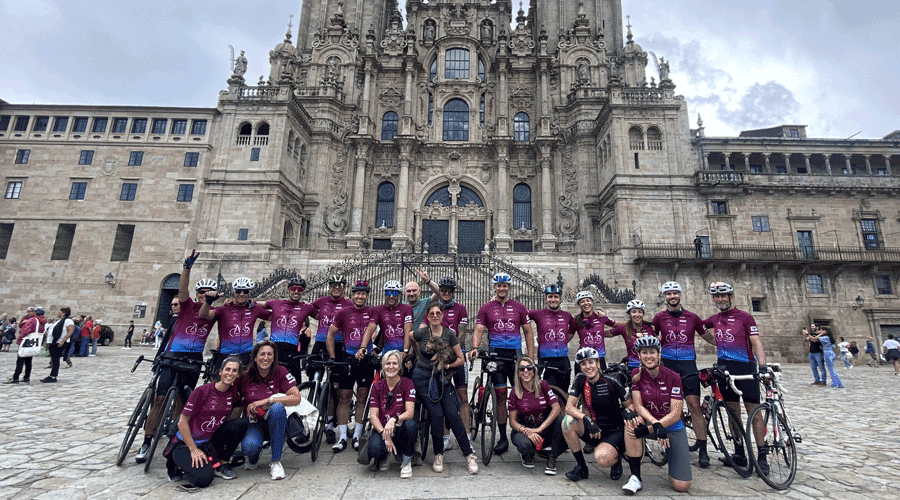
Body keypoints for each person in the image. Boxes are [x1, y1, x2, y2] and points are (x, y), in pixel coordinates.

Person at [136, 251, 219, 463]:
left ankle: (175, 438)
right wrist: (186, 268)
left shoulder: (211, 312)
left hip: (193, 360)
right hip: (173, 356)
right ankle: (147, 440)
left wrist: (209, 302)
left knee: (183, 404)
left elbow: (205, 315)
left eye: (208, 293)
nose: (203, 295)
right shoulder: (185, 306)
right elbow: (182, 291)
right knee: (161, 398)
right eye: (201, 292)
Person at [703, 282, 768, 473]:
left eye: (724, 296)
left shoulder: (745, 317)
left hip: (745, 368)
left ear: (732, 297)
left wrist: (762, 366)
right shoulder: (714, 319)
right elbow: (699, 328)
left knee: (754, 412)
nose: (720, 299)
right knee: (733, 413)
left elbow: (756, 342)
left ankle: (762, 455)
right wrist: (716, 342)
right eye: (717, 296)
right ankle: (740, 453)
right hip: (724, 370)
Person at [469, 272, 536, 455]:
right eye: (499, 285)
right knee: (500, 396)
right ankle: (503, 438)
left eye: (505, 285)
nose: (502, 288)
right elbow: (479, 329)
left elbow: (528, 332)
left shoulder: (519, 307)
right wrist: (475, 346)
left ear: (509, 287)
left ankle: (521, 430)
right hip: (496, 354)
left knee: (520, 394)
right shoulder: (486, 308)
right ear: (494, 287)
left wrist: (530, 358)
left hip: (515, 354)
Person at [651, 281, 716, 468]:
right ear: (665, 297)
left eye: (675, 293)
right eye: (668, 293)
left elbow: (707, 336)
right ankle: (674, 444)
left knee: (694, 406)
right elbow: (651, 337)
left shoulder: (693, 317)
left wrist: (724, 344)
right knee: (671, 408)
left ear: (680, 295)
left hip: (688, 366)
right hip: (668, 367)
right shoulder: (659, 318)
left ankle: (703, 448)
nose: (672, 296)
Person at [412, 303, 479, 474]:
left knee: (451, 413)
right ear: (427, 316)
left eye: (438, 313)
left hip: (442, 377)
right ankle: (438, 454)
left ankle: (469, 454)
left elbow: (461, 358)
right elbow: (411, 336)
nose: (435, 315)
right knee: (437, 413)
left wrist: (448, 366)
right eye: (432, 313)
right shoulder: (422, 332)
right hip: (423, 378)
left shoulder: (449, 334)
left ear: (442, 316)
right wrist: (414, 353)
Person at [165, 356, 249, 487]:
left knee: (241, 423)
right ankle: (175, 462)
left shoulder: (233, 393)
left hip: (208, 441)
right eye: (227, 369)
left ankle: (222, 463)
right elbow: (182, 421)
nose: (230, 373)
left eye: (234, 371)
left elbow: (239, 406)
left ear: (238, 375)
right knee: (204, 480)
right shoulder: (203, 391)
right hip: (186, 443)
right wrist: (193, 450)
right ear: (220, 371)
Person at [623, 336, 692, 495]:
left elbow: (675, 413)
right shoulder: (636, 374)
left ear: (659, 354)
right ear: (639, 356)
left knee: (682, 486)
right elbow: (638, 405)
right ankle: (635, 477)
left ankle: (672, 456)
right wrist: (655, 424)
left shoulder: (673, 376)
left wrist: (656, 427)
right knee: (631, 422)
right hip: (652, 423)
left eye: (652, 352)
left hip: (672, 426)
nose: (649, 356)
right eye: (644, 352)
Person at [561, 347, 629, 482]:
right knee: (567, 422)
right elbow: (569, 407)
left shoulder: (611, 381)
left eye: (591, 362)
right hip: (594, 429)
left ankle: (616, 459)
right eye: (583, 364)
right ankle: (581, 468)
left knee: (602, 459)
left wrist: (628, 411)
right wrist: (585, 419)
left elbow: (630, 405)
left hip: (614, 431)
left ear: (598, 364)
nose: (588, 367)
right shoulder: (580, 379)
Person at [238, 341, 302, 480]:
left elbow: (296, 398)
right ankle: (255, 453)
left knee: (277, 407)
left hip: (276, 420)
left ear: (274, 357)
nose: (265, 358)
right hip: (254, 422)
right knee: (249, 449)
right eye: (262, 354)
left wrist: (268, 401)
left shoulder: (280, 371)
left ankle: (276, 461)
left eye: (269, 354)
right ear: (255, 357)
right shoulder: (244, 376)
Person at [327, 280, 376, 452]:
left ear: (367, 295)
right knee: (344, 397)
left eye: (363, 293)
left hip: (366, 360)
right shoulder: (343, 313)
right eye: (357, 293)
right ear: (352, 295)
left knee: (363, 397)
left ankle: (357, 434)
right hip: (348, 358)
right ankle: (341, 437)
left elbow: (380, 332)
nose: (360, 296)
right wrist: (333, 357)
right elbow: (330, 335)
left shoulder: (372, 312)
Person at [427, 276, 471, 445]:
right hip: (439, 359)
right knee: (442, 397)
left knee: (463, 397)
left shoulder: (460, 308)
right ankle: (445, 438)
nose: (445, 293)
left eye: (449, 291)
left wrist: (451, 353)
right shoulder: (434, 309)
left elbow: (461, 334)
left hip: (456, 357)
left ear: (453, 292)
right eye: (443, 290)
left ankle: (466, 437)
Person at [311, 275, 353, 444]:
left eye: (340, 285)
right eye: (334, 285)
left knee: (333, 385)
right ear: (329, 287)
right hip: (321, 343)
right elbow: (304, 311)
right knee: (314, 382)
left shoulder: (349, 303)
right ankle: (310, 416)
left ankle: (329, 425)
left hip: (339, 344)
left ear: (344, 288)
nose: (337, 288)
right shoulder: (320, 301)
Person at [366, 349, 418, 478]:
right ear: (383, 366)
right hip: (383, 428)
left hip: (400, 427)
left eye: (394, 363)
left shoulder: (408, 383)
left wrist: (394, 419)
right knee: (374, 449)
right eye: (387, 363)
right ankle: (384, 455)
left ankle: (406, 462)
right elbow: (373, 416)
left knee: (411, 424)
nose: (391, 367)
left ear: (400, 366)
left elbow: (410, 412)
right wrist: (385, 434)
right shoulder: (377, 386)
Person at [199, 277, 272, 367]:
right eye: (238, 291)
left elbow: (275, 316)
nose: (241, 294)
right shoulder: (224, 309)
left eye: (245, 291)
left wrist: (260, 303)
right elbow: (203, 315)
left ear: (250, 293)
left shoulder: (255, 309)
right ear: (234, 292)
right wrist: (208, 302)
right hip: (225, 354)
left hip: (247, 355)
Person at [509, 355, 564, 474]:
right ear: (518, 373)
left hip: (543, 427)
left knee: (562, 421)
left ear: (534, 371)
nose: (525, 371)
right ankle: (528, 453)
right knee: (524, 445)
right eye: (521, 369)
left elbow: (556, 408)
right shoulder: (514, 392)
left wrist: (540, 428)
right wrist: (527, 431)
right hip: (525, 429)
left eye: (529, 368)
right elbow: (512, 421)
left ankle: (552, 457)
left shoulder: (543, 385)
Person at [265, 276, 316, 385]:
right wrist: (231, 302)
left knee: (295, 383)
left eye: (300, 289)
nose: (296, 292)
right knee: (271, 379)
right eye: (293, 289)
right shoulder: (276, 303)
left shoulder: (307, 307)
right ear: (288, 290)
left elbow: (322, 316)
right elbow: (254, 305)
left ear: (303, 292)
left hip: (292, 348)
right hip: (275, 346)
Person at [529, 285, 576, 392]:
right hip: (545, 359)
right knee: (548, 393)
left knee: (563, 392)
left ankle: (563, 409)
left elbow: (577, 326)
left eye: (556, 297)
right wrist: (496, 301)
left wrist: (564, 341)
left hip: (563, 359)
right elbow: (519, 315)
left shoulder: (567, 315)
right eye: (550, 297)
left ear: (560, 299)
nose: (553, 300)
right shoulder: (537, 314)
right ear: (545, 299)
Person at [573, 291, 616, 372]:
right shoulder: (576, 320)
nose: (586, 303)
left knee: (601, 383)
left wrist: (636, 324)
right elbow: (568, 335)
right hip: (583, 358)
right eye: (582, 301)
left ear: (592, 302)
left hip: (599, 357)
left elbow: (616, 325)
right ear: (579, 305)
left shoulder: (601, 316)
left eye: (588, 300)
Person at [609, 300, 656, 371]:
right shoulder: (624, 328)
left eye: (640, 312)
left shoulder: (650, 327)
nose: (637, 315)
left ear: (643, 314)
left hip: (649, 365)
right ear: (629, 314)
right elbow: (602, 333)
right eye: (633, 312)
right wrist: (598, 317)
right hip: (633, 365)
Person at [4, 307, 46, 384]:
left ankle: (15, 377)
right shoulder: (42, 321)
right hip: (33, 343)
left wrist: (20, 339)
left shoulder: (33, 320)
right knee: (28, 361)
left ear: (35, 313)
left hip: (26, 342)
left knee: (20, 360)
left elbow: (25, 330)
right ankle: (27, 376)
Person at [41, 307, 76, 383]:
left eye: (59, 312)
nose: (58, 313)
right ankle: (52, 375)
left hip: (59, 342)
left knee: (56, 359)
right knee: (54, 359)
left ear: (63, 313)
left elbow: (70, 331)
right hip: (54, 342)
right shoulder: (59, 321)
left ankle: (53, 376)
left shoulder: (68, 320)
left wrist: (63, 341)